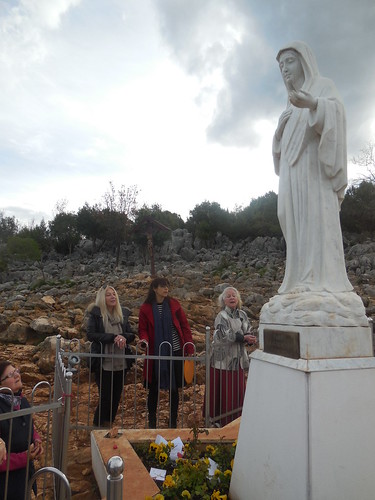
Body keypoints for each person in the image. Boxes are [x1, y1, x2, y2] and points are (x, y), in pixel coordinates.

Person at [273, 41, 353, 295]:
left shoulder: (323, 86)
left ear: (303, 61)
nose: (284, 69)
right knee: (290, 218)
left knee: (313, 220)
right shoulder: (288, 104)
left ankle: (317, 280)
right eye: (281, 65)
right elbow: (281, 148)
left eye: (289, 61)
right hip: (291, 174)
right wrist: (278, 133)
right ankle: (297, 279)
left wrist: (314, 104)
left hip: (314, 173)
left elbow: (337, 114)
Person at [138, 277, 194, 428]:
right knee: (153, 389)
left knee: (174, 388)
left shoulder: (174, 304)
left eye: (167, 286)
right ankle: (152, 422)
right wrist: (144, 340)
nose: (166, 289)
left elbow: (184, 325)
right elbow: (142, 329)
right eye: (162, 286)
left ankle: (173, 421)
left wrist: (189, 347)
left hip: (175, 351)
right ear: (154, 289)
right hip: (156, 353)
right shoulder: (145, 308)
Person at [86, 285, 135, 427]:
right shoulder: (96, 315)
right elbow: (91, 334)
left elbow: (131, 334)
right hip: (104, 362)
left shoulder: (122, 315)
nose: (113, 297)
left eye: (114, 294)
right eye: (108, 295)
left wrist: (123, 337)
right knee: (105, 397)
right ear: (102, 298)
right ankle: (98, 425)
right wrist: (113, 337)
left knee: (116, 397)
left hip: (121, 362)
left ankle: (109, 423)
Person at [208, 287, 256, 427]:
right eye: (228, 296)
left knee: (237, 389)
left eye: (233, 295)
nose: (231, 298)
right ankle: (222, 421)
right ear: (223, 300)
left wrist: (249, 338)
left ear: (238, 298)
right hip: (223, 361)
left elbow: (248, 330)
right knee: (226, 391)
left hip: (239, 359)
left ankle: (238, 420)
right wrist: (242, 337)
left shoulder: (243, 315)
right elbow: (223, 335)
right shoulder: (221, 316)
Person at [0, 360, 43, 500]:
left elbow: (30, 425)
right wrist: (25, 457)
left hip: (25, 477)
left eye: (16, 371)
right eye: (10, 375)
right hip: (6, 486)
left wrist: (36, 439)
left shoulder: (21, 400)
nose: (17, 375)